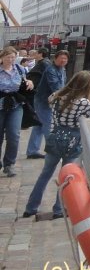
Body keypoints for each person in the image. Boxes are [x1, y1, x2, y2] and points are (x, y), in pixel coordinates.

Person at [22, 70, 90, 219]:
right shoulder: (83, 102)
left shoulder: (56, 96)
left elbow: (51, 101)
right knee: (66, 175)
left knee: (45, 173)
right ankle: (58, 209)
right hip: (72, 141)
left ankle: (31, 207)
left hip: (55, 137)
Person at [25, 49, 68, 159]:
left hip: (51, 102)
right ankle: (53, 152)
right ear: (55, 58)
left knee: (39, 125)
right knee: (48, 126)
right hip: (43, 102)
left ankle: (32, 151)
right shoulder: (51, 70)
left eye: (65, 58)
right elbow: (56, 87)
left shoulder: (62, 69)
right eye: (61, 58)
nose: (63, 60)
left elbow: (64, 85)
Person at [1, 46, 34, 177]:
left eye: (13, 57)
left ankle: (9, 164)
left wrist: (29, 82)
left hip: (15, 105)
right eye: (8, 57)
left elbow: (25, 81)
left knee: (14, 135)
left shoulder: (19, 69)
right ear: (2, 57)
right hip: (0, 105)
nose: (10, 60)